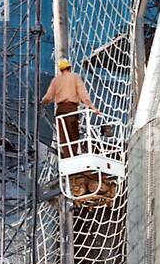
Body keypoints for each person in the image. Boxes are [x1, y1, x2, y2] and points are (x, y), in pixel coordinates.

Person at [42, 58, 111, 201]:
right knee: (73, 136)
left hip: (61, 110)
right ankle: (72, 156)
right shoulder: (75, 78)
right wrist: (92, 108)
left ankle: (70, 157)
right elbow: (83, 95)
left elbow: (49, 96)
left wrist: (42, 103)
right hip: (72, 109)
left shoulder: (56, 81)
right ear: (70, 67)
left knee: (64, 138)